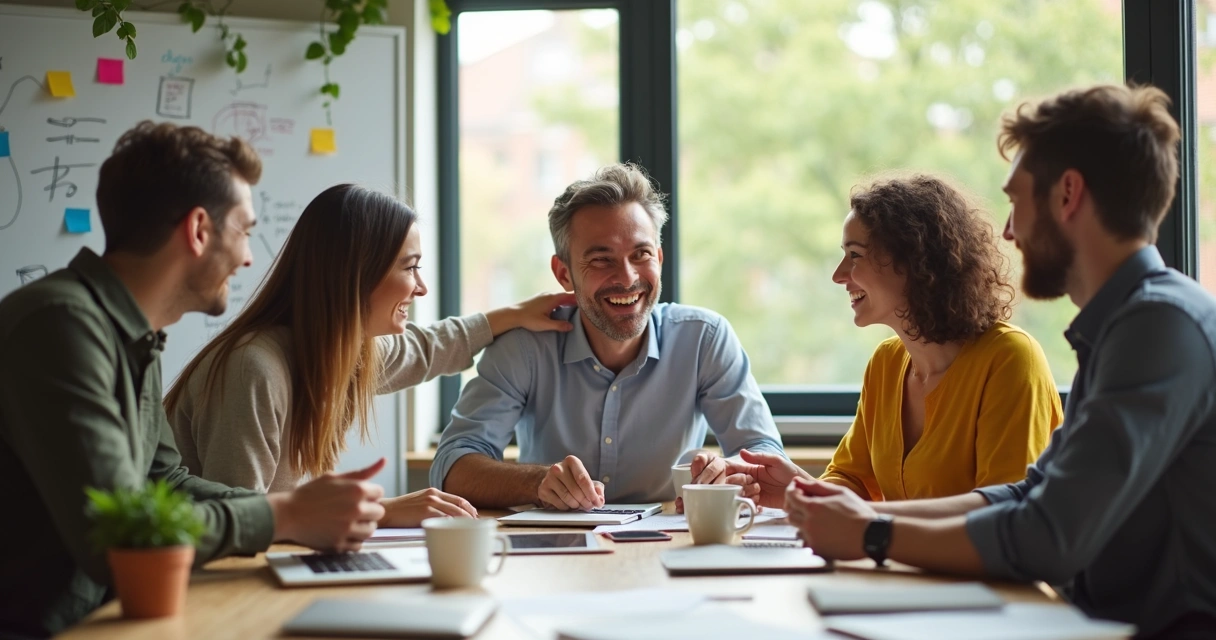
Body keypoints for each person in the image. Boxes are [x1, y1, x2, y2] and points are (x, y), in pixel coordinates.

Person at [763, 85, 1216, 638]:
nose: (1007, 230)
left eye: (1016, 199)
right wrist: (861, 517)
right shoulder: (1123, 327)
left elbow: (1049, 535)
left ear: (1068, 194)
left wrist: (871, 536)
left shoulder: (1159, 327)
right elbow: (1028, 493)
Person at [0, 122, 385, 637]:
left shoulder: (134, 333)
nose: (249, 257)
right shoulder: (59, 326)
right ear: (199, 230)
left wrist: (307, 511)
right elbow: (121, 539)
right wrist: (286, 516)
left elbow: (167, 484)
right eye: (245, 231)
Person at [165, 183, 576, 526]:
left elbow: (427, 348)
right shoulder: (254, 369)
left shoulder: (337, 354)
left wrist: (513, 315)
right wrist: (380, 512)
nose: (421, 287)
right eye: (409, 267)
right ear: (355, 275)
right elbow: (241, 525)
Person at [431, 163, 786, 510]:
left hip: (669, 548)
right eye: (602, 260)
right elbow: (452, 466)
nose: (628, 277)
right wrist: (538, 483)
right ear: (564, 274)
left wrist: (729, 473)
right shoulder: (523, 348)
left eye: (641, 254)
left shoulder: (705, 340)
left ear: (659, 259)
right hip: (554, 557)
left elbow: (763, 453)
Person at [814, 174, 1061, 501]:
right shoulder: (886, 364)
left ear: (913, 261)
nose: (838, 275)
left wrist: (874, 524)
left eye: (855, 255)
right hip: (893, 554)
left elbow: (1001, 513)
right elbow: (851, 479)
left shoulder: (1011, 359)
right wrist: (795, 490)